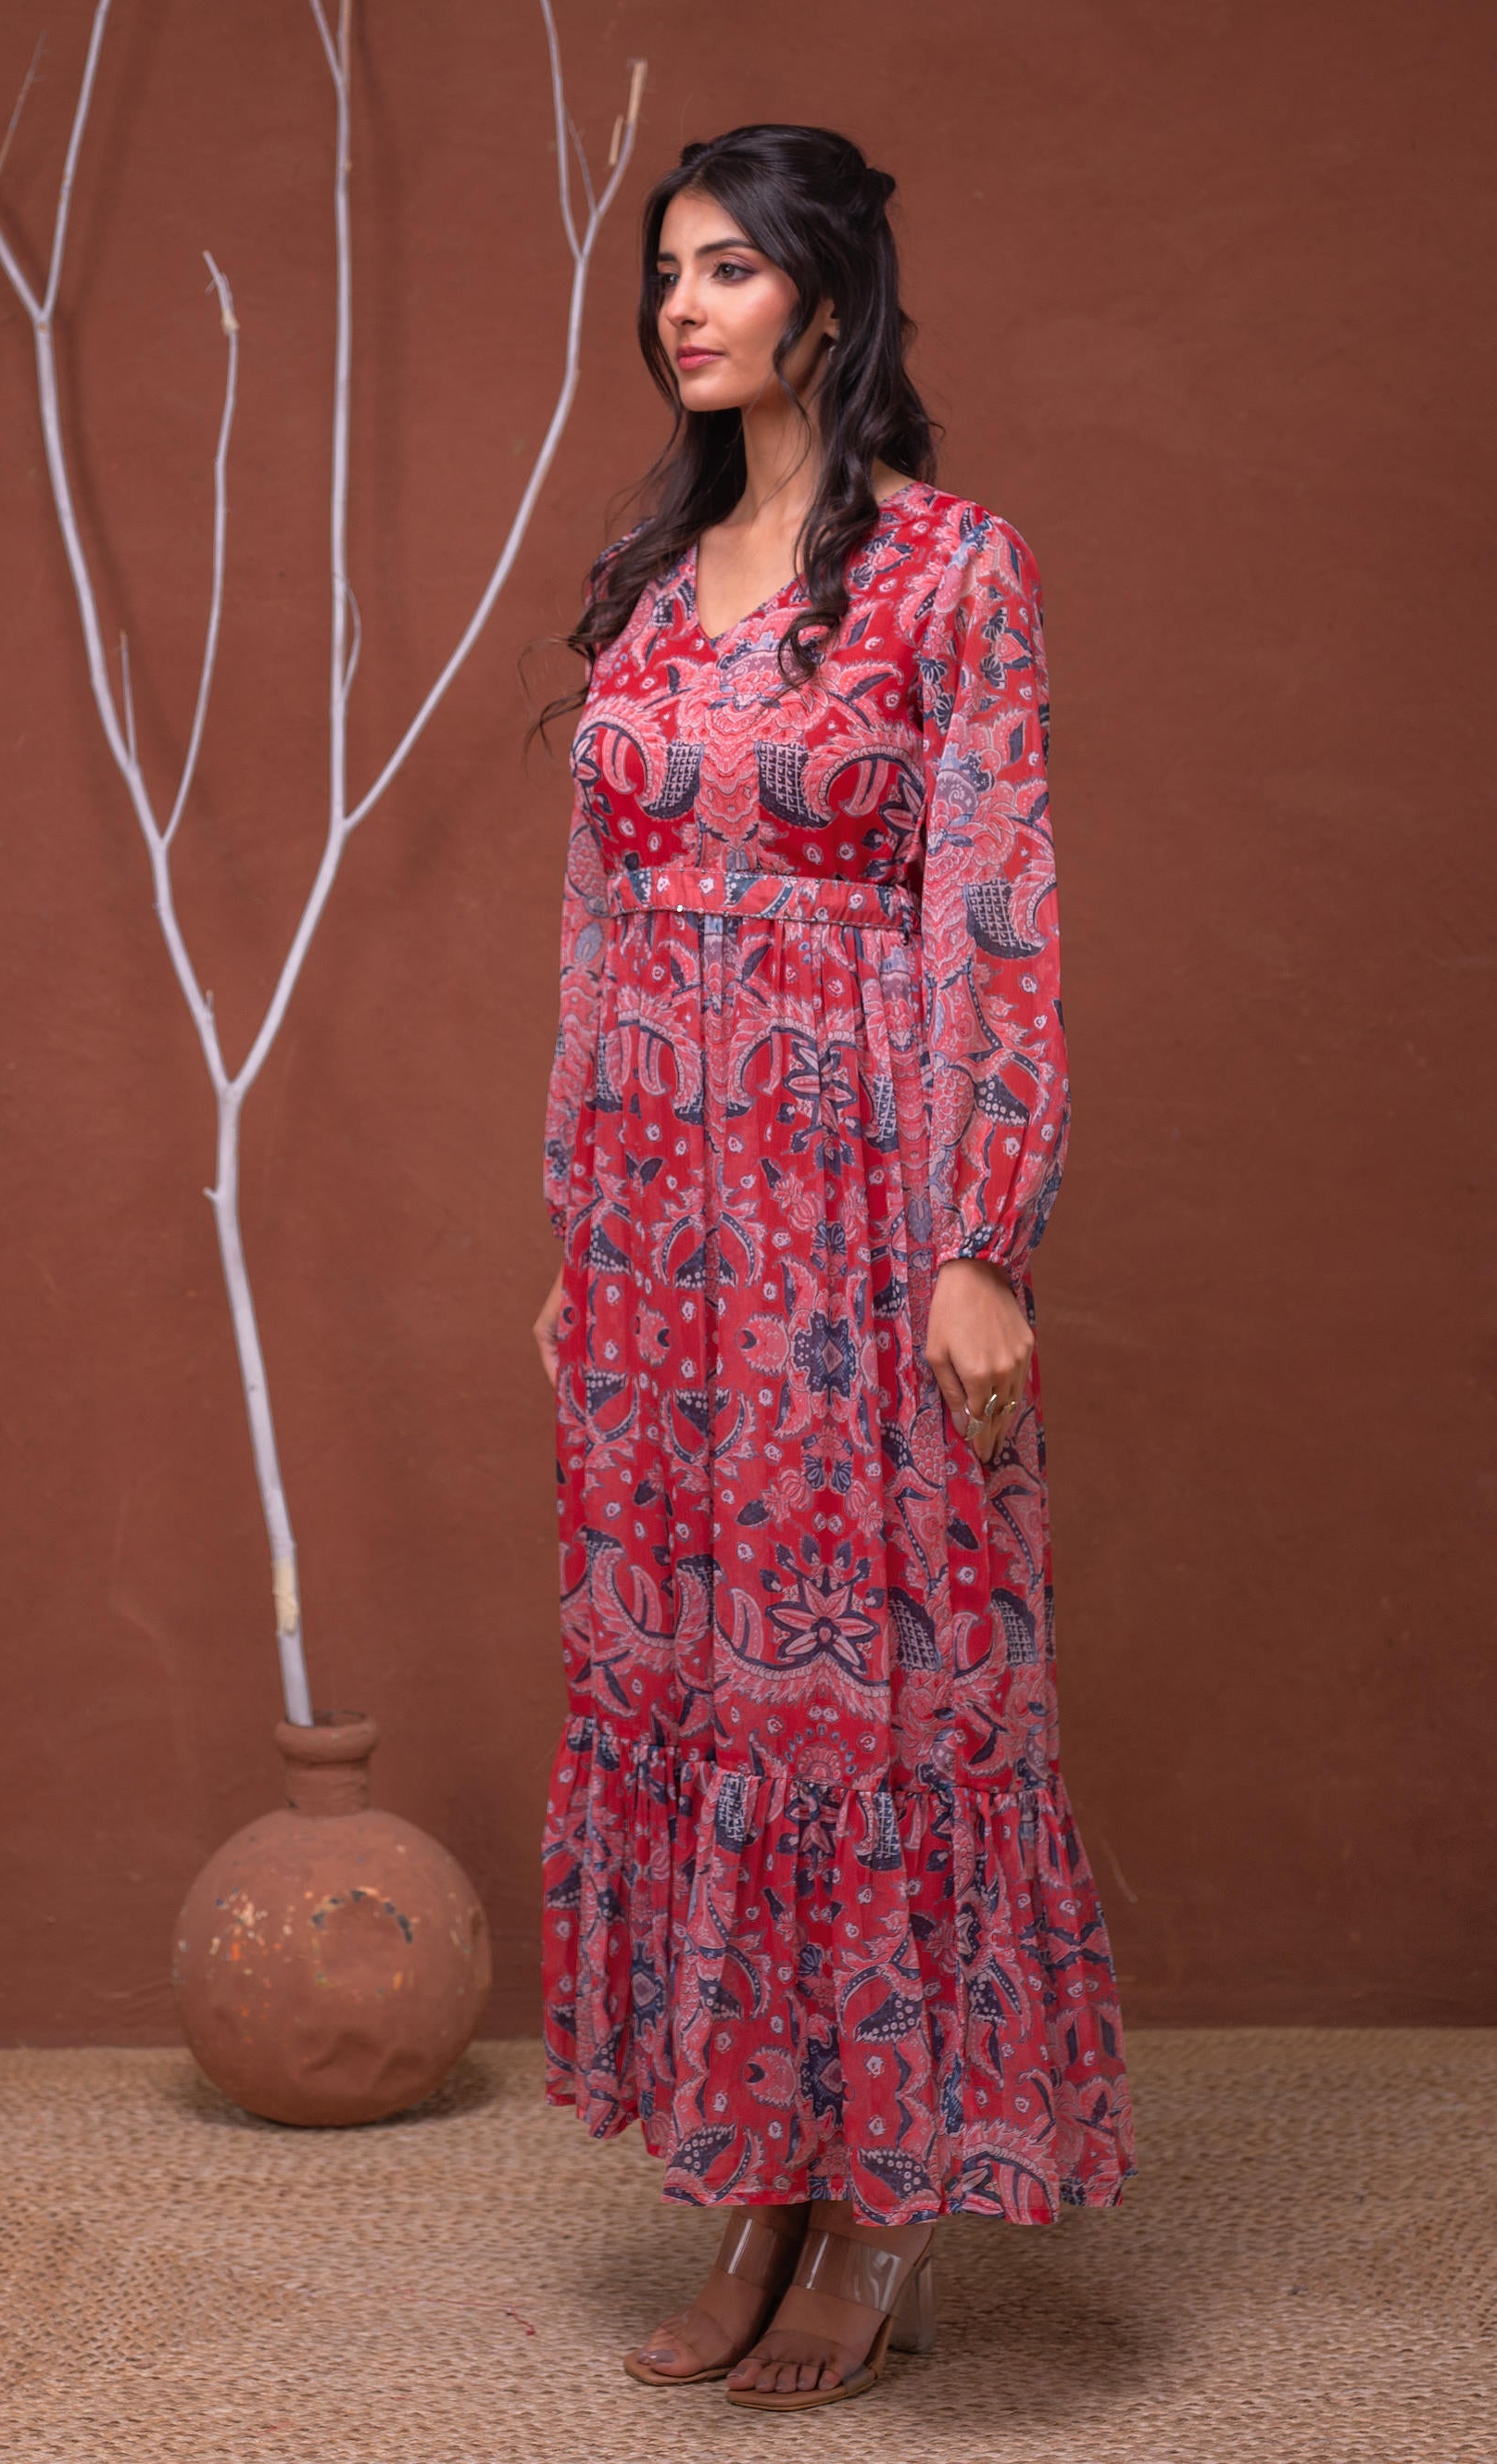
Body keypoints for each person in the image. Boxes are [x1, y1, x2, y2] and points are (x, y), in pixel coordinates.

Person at [532, 123, 1134, 2413]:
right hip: (660, 1237)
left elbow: (997, 906)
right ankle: (754, 2171)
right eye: (664, 272)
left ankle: (880, 2202)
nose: (681, 307)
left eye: (723, 270)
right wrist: (567, 1228)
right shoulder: (647, 580)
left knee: (862, 1687)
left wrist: (982, 1239)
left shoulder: (951, 573)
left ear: (822, 293)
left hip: (858, 1207)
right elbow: (590, 933)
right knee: (699, 1672)